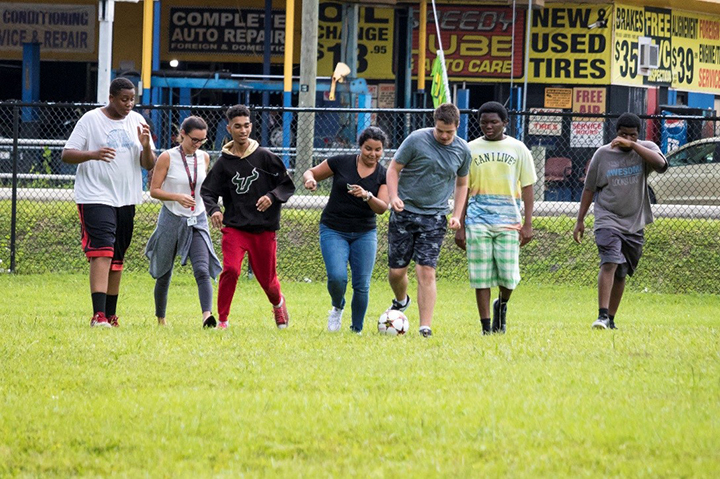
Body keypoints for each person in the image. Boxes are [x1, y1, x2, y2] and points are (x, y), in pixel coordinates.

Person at [62, 77, 156, 328]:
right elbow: (67, 153)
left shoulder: (138, 121)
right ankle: (98, 315)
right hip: (95, 195)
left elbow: (149, 164)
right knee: (102, 251)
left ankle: (111, 316)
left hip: (126, 198)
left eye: (132, 99)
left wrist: (146, 146)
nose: (129, 104)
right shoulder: (91, 120)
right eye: (124, 99)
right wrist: (93, 154)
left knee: (117, 257)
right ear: (111, 98)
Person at [200, 105, 295, 330]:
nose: (243, 130)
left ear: (251, 126)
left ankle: (277, 303)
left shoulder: (265, 157)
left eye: (246, 126)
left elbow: (286, 185)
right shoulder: (224, 163)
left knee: (268, 281)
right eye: (237, 126)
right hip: (235, 228)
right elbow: (208, 191)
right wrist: (213, 209)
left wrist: (272, 197)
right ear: (229, 128)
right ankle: (222, 320)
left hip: (263, 229)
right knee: (231, 269)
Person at [574, 113, 667, 330]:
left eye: (632, 135)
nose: (626, 138)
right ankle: (602, 315)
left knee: (622, 271)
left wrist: (634, 146)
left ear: (638, 135)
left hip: (634, 221)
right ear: (616, 133)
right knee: (610, 261)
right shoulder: (602, 155)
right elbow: (589, 189)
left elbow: (662, 165)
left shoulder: (646, 149)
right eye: (623, 134)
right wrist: (580, 220)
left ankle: (611, 319)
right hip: (607, 217)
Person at [386, 103, 471, 337]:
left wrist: (456, 215)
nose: (444, 136)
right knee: (396, 272)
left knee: (426, 271)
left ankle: (425, 326)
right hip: (404, 213)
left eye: (449, 132)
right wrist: (393, 197)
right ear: (434, 123)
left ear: (457, 127)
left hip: (434, 217)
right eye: (440, 130)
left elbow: (462, 183)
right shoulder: (416, 140)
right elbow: (393, 169)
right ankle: (401, 301)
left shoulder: (463, 151)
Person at [455, 101, 536, 335]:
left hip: (509, 220)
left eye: (493, 122)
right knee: (481, 276)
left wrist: (528, 223)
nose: (488, 126)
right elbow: (463, 188)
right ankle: (486, 327)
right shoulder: (469, 149)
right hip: (477, 220)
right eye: (483, 122)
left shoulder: (518, 149)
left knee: (508, 276)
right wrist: (459, 224)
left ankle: (501, 304)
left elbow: (528, 187)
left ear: (505, 123)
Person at [303, 126, 390, 333]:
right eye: (368, 148)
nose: (373, 154)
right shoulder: (341, 162)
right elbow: (311, 171)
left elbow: (382, 208)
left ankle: (356, 330)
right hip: (334, 229)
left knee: (361, 284)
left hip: (364, 232)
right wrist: (310, 180)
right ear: (360, 147)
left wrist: (367, 195)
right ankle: (337, 306)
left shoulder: (383, 174)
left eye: (378, 150)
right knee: (337, 277)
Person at [145, 116, 222, 327]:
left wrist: (213, 209)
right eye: (194, 140)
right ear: (182, 134)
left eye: (202, 140)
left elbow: (205, 189)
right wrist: (177, 197)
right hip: (172, 217)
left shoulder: (204, 158)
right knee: (164, 272)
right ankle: (161, 318)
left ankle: (207, 316)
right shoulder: (167, 157)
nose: (197, 145)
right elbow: (154, 190)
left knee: (202, 269)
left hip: (196, 218)